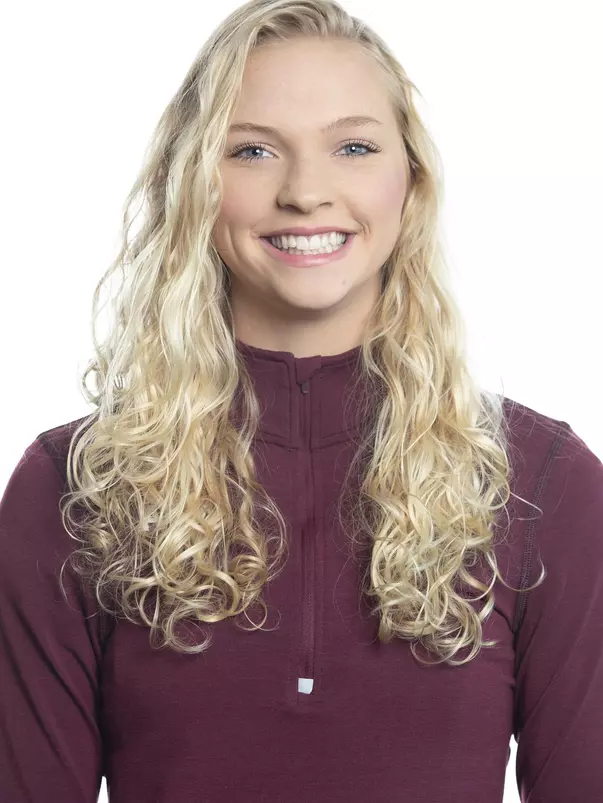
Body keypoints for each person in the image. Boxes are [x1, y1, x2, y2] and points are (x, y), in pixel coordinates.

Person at [1, 1, 602, 801]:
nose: (306, 192)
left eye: (353, 146)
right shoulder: (71, 487)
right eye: (251, 150)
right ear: (194, 182)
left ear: (410, 182)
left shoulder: (542, 480)